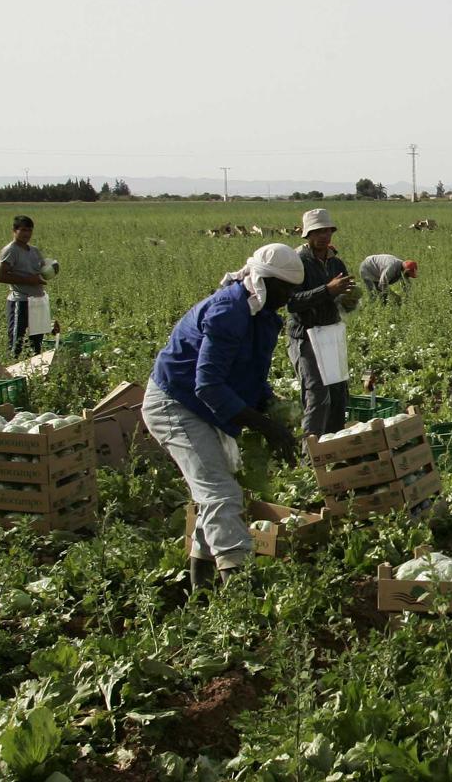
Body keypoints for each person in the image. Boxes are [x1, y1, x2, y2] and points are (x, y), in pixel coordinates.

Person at [141, 244, 302, 589]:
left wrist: (271, 407)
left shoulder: (263, 317)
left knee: (213, 492)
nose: (288, 298)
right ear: (264, 281)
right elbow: (208, 385)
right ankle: (238, 590)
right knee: (221, 493)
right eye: (285, 289)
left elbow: (251, 377)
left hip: (201, 408)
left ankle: (201, 588)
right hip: (175, 405)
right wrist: (266, 427)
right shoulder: (228, 311)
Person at [286, 209, 356, 439]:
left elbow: (343, 302)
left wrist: (348, 299)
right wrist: (328, 290)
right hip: (305, 336)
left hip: (330, 334)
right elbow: (292, 302)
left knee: (338, 394)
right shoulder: (297, 263)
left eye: (327, 230)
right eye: (317, 231)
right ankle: (312, 456)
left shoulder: (336, 264)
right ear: (307, 234)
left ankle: (333, 449)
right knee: (317, 394)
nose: (324, 236)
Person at [0, 215, 49, 357]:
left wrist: (50, 270)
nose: (27, 234)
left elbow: (42, 270)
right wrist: (28, 280)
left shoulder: (34, 250)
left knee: (36, 343)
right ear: (14, 230)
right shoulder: (11, 250)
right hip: (20, 301)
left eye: (30, 230)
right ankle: (11, 372)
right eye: (23, 230)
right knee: (16, 343)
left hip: (37, 300)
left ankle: (33, 373)